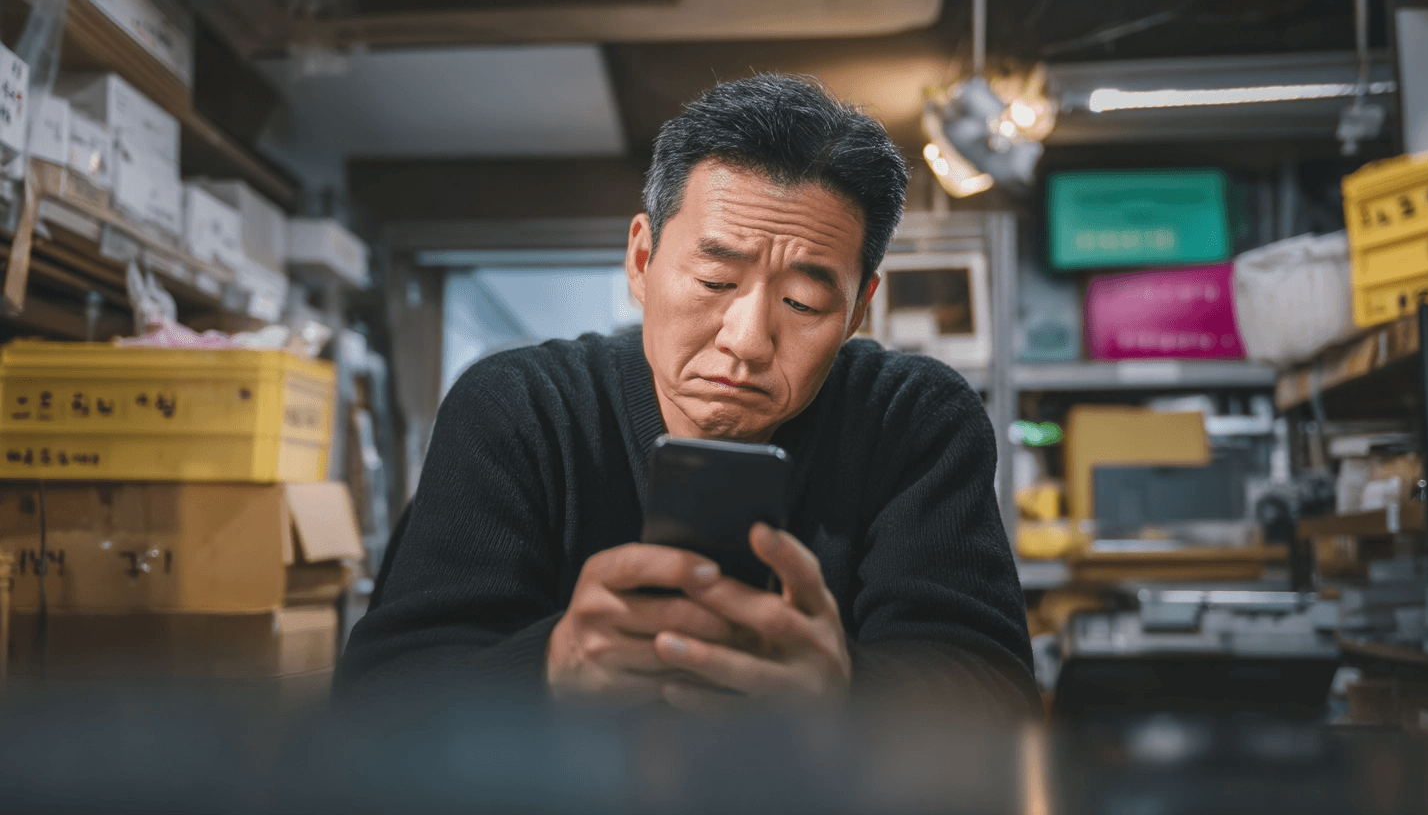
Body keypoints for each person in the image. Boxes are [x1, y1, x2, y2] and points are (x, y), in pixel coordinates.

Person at [337, 74, 1038, 716]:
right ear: (642, 261)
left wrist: (846, 685)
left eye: (801, 301)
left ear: (859, 313)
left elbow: (997, 705)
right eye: (714, 283)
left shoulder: (911, 422)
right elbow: (375, 706)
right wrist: (552, 663)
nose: (747, 338)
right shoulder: (521, 408)